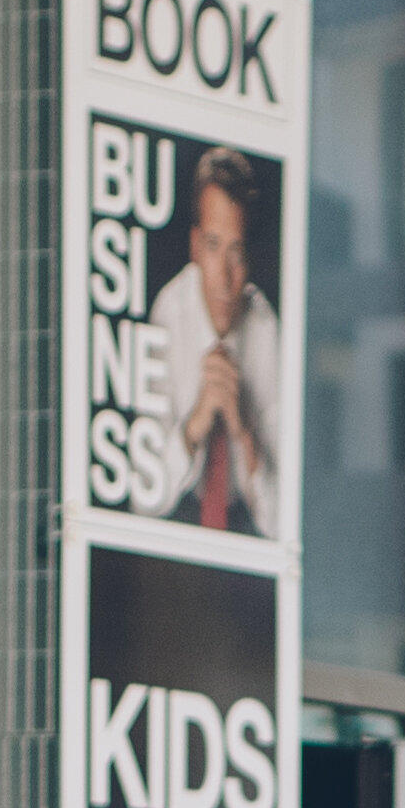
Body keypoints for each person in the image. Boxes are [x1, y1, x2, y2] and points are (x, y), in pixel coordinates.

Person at [147, 148, 287, 536]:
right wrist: (195, 425)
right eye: (212, 246)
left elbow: (279, 521)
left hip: (244, 522)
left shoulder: (265, 331)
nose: (224, 278)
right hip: (177, 517)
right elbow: (146, 501)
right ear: (194, 246)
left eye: (236, 252)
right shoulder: (169, 314)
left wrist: (243, 430)